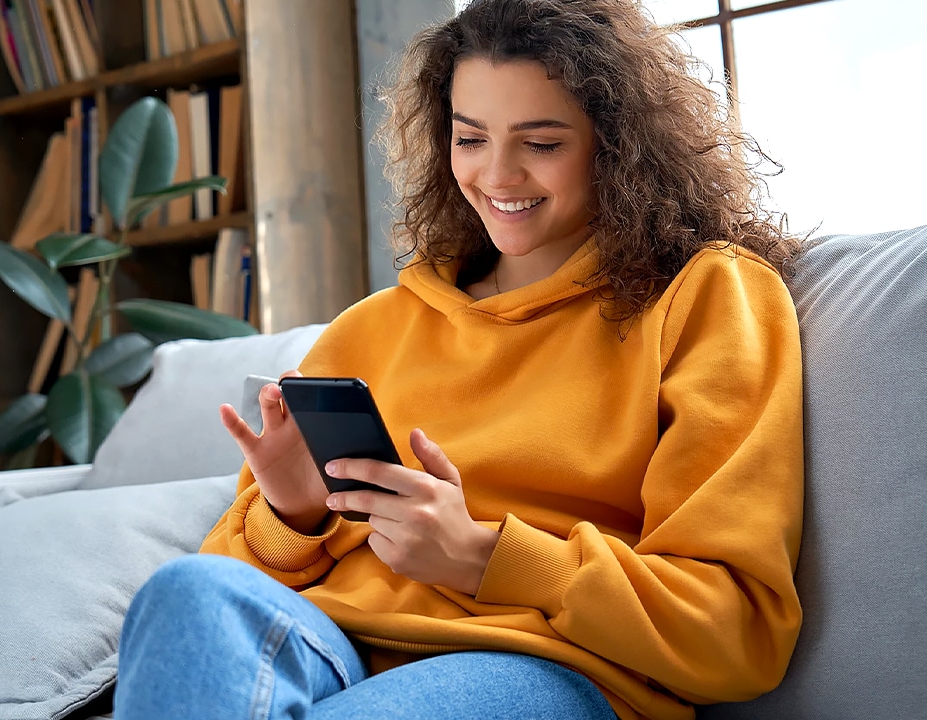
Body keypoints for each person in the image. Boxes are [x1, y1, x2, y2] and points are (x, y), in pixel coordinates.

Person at [114, 0, 805, 718]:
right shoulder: (374, 327)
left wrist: (483, 555)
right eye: (470, 138)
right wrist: (293, 515)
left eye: (541, 144)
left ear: (617, 145)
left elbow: (734, 630)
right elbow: (224, 620)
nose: (497, 176)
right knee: (184, 590)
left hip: (537, 666)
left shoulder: (706, 295)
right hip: (333, 644)